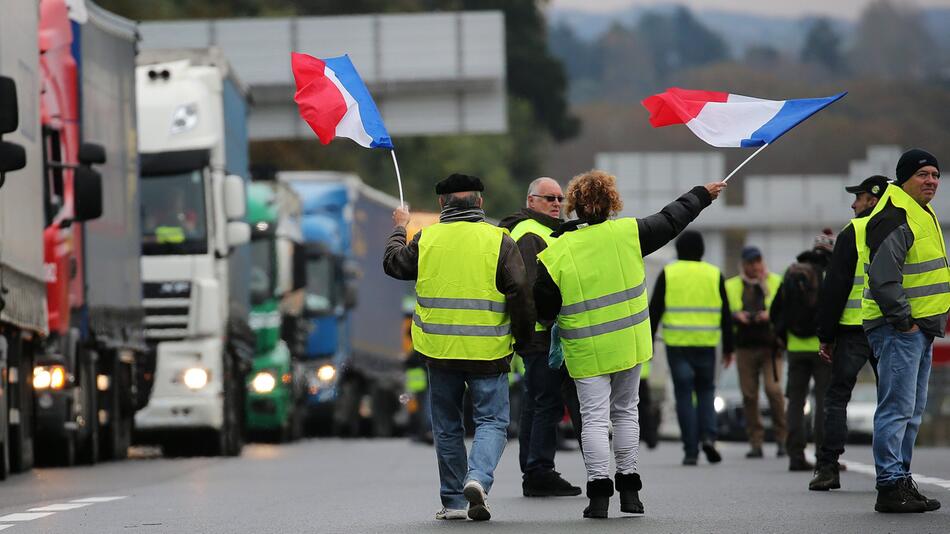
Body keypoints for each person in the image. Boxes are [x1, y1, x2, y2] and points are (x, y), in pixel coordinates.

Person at [535, 170, 725, 519]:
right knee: (625, 413)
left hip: (585, 350)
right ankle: (631, 492)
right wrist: (701, 194)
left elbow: (545, 307)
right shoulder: (630, 234)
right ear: (611, 203)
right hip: (628, 344)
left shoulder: (556, 250)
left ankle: (598, 495)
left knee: (593, 420)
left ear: (574, 205)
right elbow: (671, 219)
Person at [383, 173, 535, 522]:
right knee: (492, 421)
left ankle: (453, 502)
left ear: (442, 204)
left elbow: (394, 264)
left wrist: (400, 227)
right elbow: (521, 296)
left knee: (447, 425)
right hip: (489, 352)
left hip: (439, 352)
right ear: (480, 202)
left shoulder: (427, 239)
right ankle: (478, 479)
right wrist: (524, 342)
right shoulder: (500, 240)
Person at [861, 149, 946, 513]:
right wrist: (904, 320)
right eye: (923, 174)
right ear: (905, 177)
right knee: (896, 409)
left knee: (912, 410)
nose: (931, 181)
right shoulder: (895, 214)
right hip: (900, 328)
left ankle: (901, 479)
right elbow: (884, 278)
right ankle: (889, 485)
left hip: (919, 328)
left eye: (935, 175)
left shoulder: (919, 211)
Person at [498, 177, 582, 498]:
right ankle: (539, 470)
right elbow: (532, 289)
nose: (557, 204)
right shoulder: (531, 233)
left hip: (536, 333)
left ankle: (533, 469)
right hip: (541, 333)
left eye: (560, 198)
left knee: (536, 401)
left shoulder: (537, 229)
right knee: (546, 401)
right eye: (549, 198)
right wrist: (550, 324)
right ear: (531, 201)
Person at [809, 175, 886, 491]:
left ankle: (828, 469)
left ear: (872, 199)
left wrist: (825, 334)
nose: (854, 203)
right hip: (893, 327)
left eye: (859, 197)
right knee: (894, 400)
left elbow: (835, 285)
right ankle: (894, 472)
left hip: (854, 327)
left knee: (837, 397)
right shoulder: (905, 227)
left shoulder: (853, 231)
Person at [649, 230, 734, 465]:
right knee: (706, 392)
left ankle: (690, 450)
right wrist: (729, 348)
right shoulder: (714, 274)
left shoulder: (669, 273)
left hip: (678, 346)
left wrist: (648, 343)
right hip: (707, 345)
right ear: (702, 250)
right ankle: (708, 436)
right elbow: (726, 314)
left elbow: (654, 310)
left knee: (684, 395)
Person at [771, 230, 835, 471]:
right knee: (823, 402)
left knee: (795, 402)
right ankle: (823, 457)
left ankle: (795, 455)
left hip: (795, 346)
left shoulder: (792, 271)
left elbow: (777, 307)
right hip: (823, 347)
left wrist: (780, 336)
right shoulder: (829, 273)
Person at [725, 247, 787, 459]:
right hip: (745, 346)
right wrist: (737, 316)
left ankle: (782, 438)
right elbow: (726, 312)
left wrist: (767, 314)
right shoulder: (731, 285)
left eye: (758, 262)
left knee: (773, 389)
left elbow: (782, 309)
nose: (755, 266)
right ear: (743, 265)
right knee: (749, 395)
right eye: (750, 263)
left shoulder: (775, 281)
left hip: (771, 346)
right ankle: (756, 442)